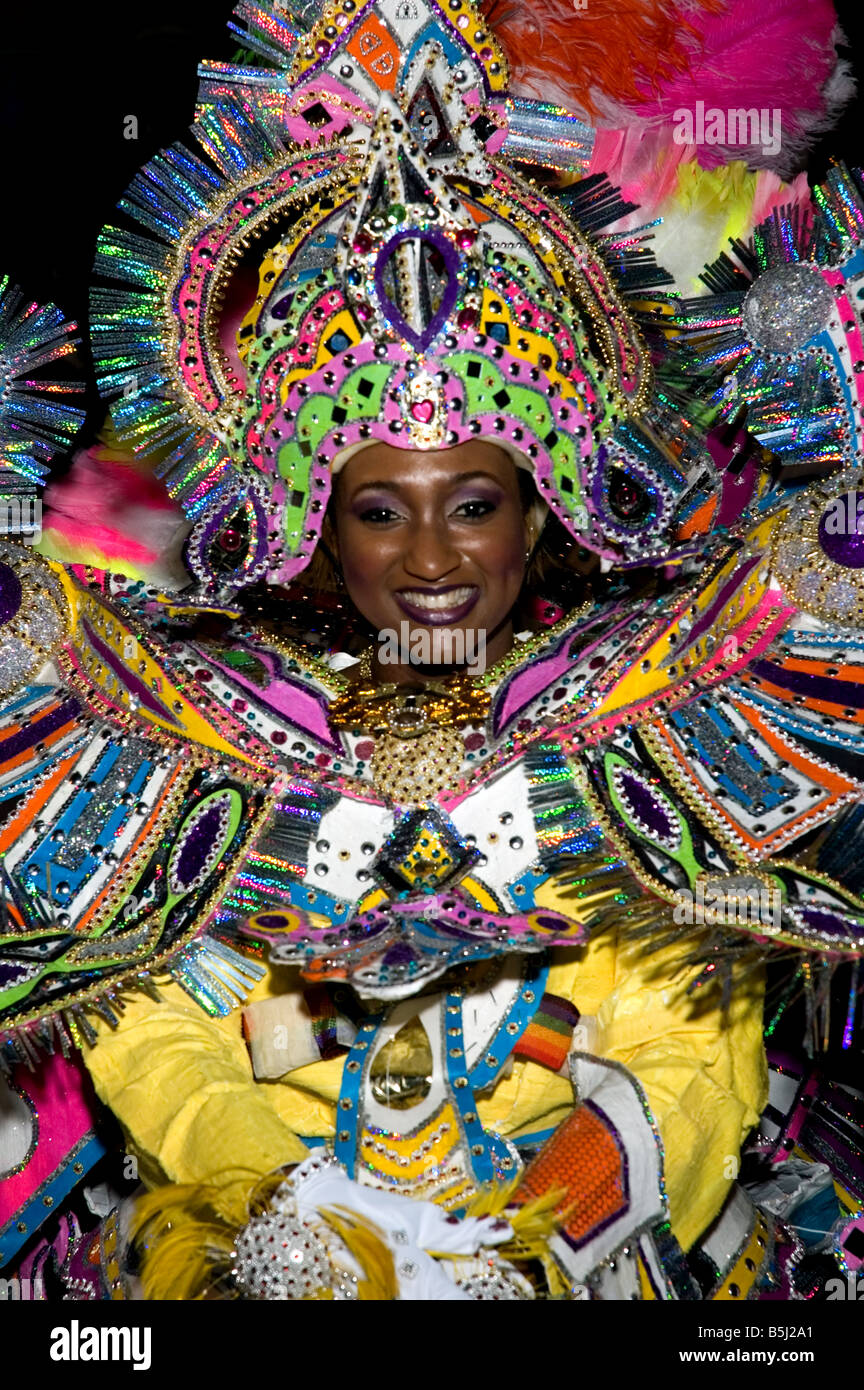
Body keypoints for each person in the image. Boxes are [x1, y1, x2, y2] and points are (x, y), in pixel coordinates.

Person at [1, 0, 863, 1301]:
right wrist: (284, 1226)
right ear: (310, 524)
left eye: (472, 505)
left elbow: (693, 1041)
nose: (429, 562)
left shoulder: (636, 710)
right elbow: (160, 1033)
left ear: (543, 511)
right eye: (378, 509)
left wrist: (534, 1253)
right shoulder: (211, 722)